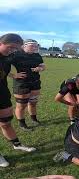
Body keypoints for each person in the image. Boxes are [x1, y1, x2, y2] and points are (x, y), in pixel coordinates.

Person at [0, 33, 36, 167]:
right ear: (0, 43)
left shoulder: (8, 57)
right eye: (10, 47)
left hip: (2, 94)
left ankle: (17, 145)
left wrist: (12, 75)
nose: (12, 51)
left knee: (6, 123)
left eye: (15, 48)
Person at [10, 39, 45, 131]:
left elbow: (43, 66)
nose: (34, 47)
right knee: (21, 106)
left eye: (36, 46)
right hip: (22, 83)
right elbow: (3, 64)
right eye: (32, 46)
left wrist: (40, 68)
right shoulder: (16, 55)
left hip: (35, 82)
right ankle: (22, 124)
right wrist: (13, 75)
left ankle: (34, 119)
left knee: (33, 103)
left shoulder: (37, 55)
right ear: (24, 46)